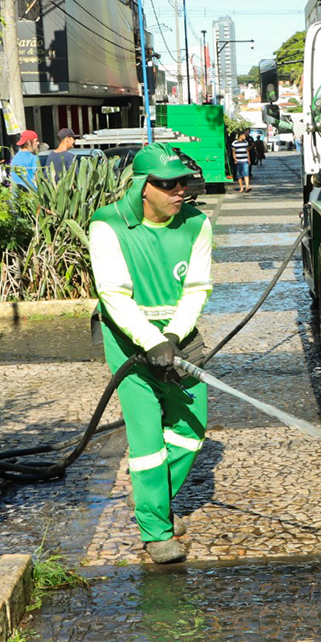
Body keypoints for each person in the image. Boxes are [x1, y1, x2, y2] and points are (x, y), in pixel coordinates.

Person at [88, 143, 213, 564]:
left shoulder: (196, 225)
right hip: (128, 341)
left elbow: (196, 287)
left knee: (192, 428)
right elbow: (114, 295)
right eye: (167, 184)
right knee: (146, 439)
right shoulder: (108, 225)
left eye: (183, 182)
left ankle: (151, 497)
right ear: (143, 187)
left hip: (179, 337)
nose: (179, 191)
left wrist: (174, 335)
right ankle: (156, 529)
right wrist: (151, 340)